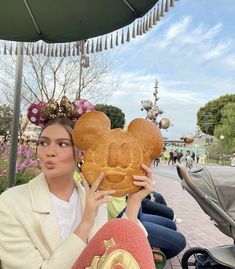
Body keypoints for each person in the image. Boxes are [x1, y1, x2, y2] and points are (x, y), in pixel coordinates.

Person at [0, 116, 155, 269]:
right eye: (43, 143)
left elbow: (112, 255)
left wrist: (134, 202)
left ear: (81, 153)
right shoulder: (11, 203)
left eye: (62, 144)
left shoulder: (94, 200)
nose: (50, 151)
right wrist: (85, 223)